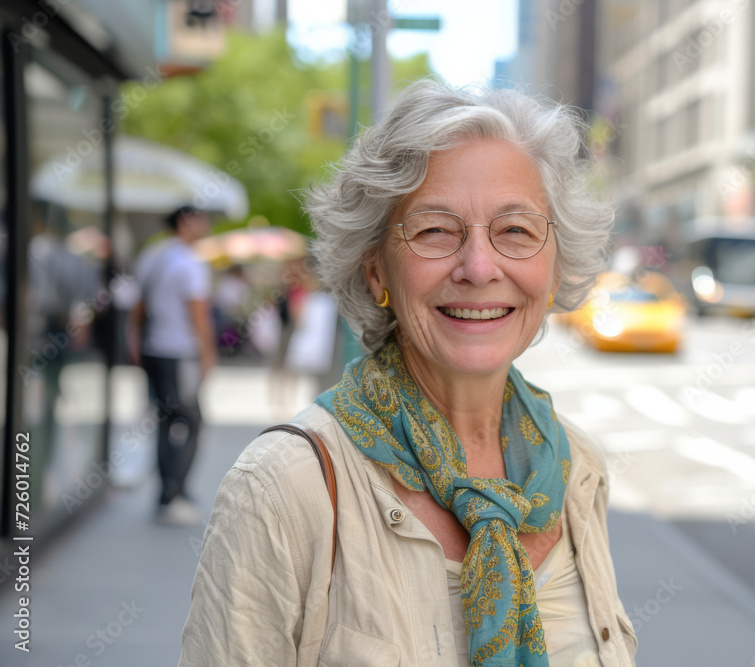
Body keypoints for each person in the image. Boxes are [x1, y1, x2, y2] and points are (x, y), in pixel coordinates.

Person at [181, 81, 638, 666]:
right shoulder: (283, 489)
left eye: (516, 231)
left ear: (554, 269)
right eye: (434, 231)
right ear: (377, 273)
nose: (478, 266)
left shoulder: (578, 470)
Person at [130, 205, 216, 526]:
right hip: (178, 351)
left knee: (166, 420)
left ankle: (166, 490)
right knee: (192, 420)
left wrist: (136, 340)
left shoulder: (152, 254)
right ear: (186, 222)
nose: (206, 225)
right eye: (203, 219)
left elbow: (137, 306)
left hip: (154, 349)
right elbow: (199, 313)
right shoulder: (189, 261)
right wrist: (209, 354)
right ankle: (173, 493)